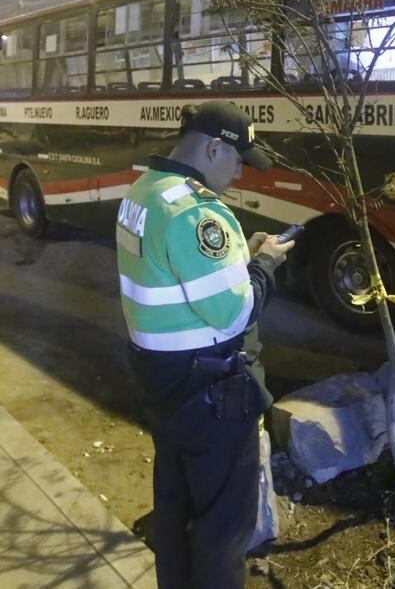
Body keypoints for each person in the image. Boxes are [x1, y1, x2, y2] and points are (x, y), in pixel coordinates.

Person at [118, 101, 295, 589]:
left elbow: (183, 278)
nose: (241, 171)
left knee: (175, 513)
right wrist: (266, 265)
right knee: (223, 529)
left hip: (164, 384)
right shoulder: (194, 212)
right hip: (211, 393)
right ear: (214, 147)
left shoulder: (146, 190)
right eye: (238, 159)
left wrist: (242, 258)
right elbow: (233, 311)